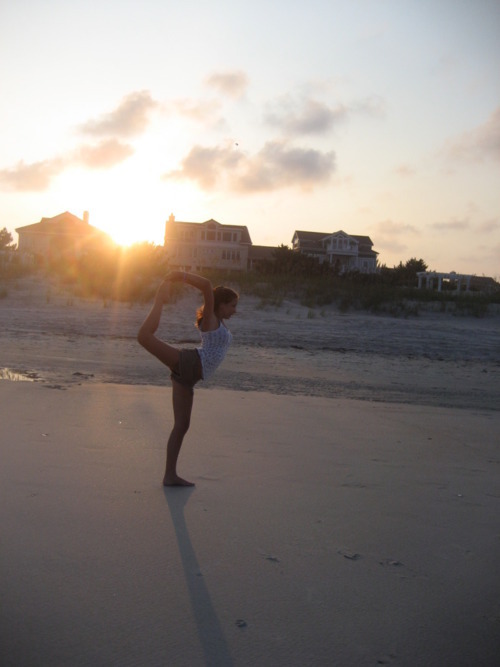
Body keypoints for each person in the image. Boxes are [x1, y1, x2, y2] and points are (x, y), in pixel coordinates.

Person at [137, 271, 238, 487]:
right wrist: (179, 276)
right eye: (232, 305)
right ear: (220, 305)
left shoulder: (219, 322)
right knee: (144, 337)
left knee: (182, 425)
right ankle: (159, 300)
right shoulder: (210, 319)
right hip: (190, 363)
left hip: (189, 376)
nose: (235, 310)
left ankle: (170, 476)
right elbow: (207, 285)